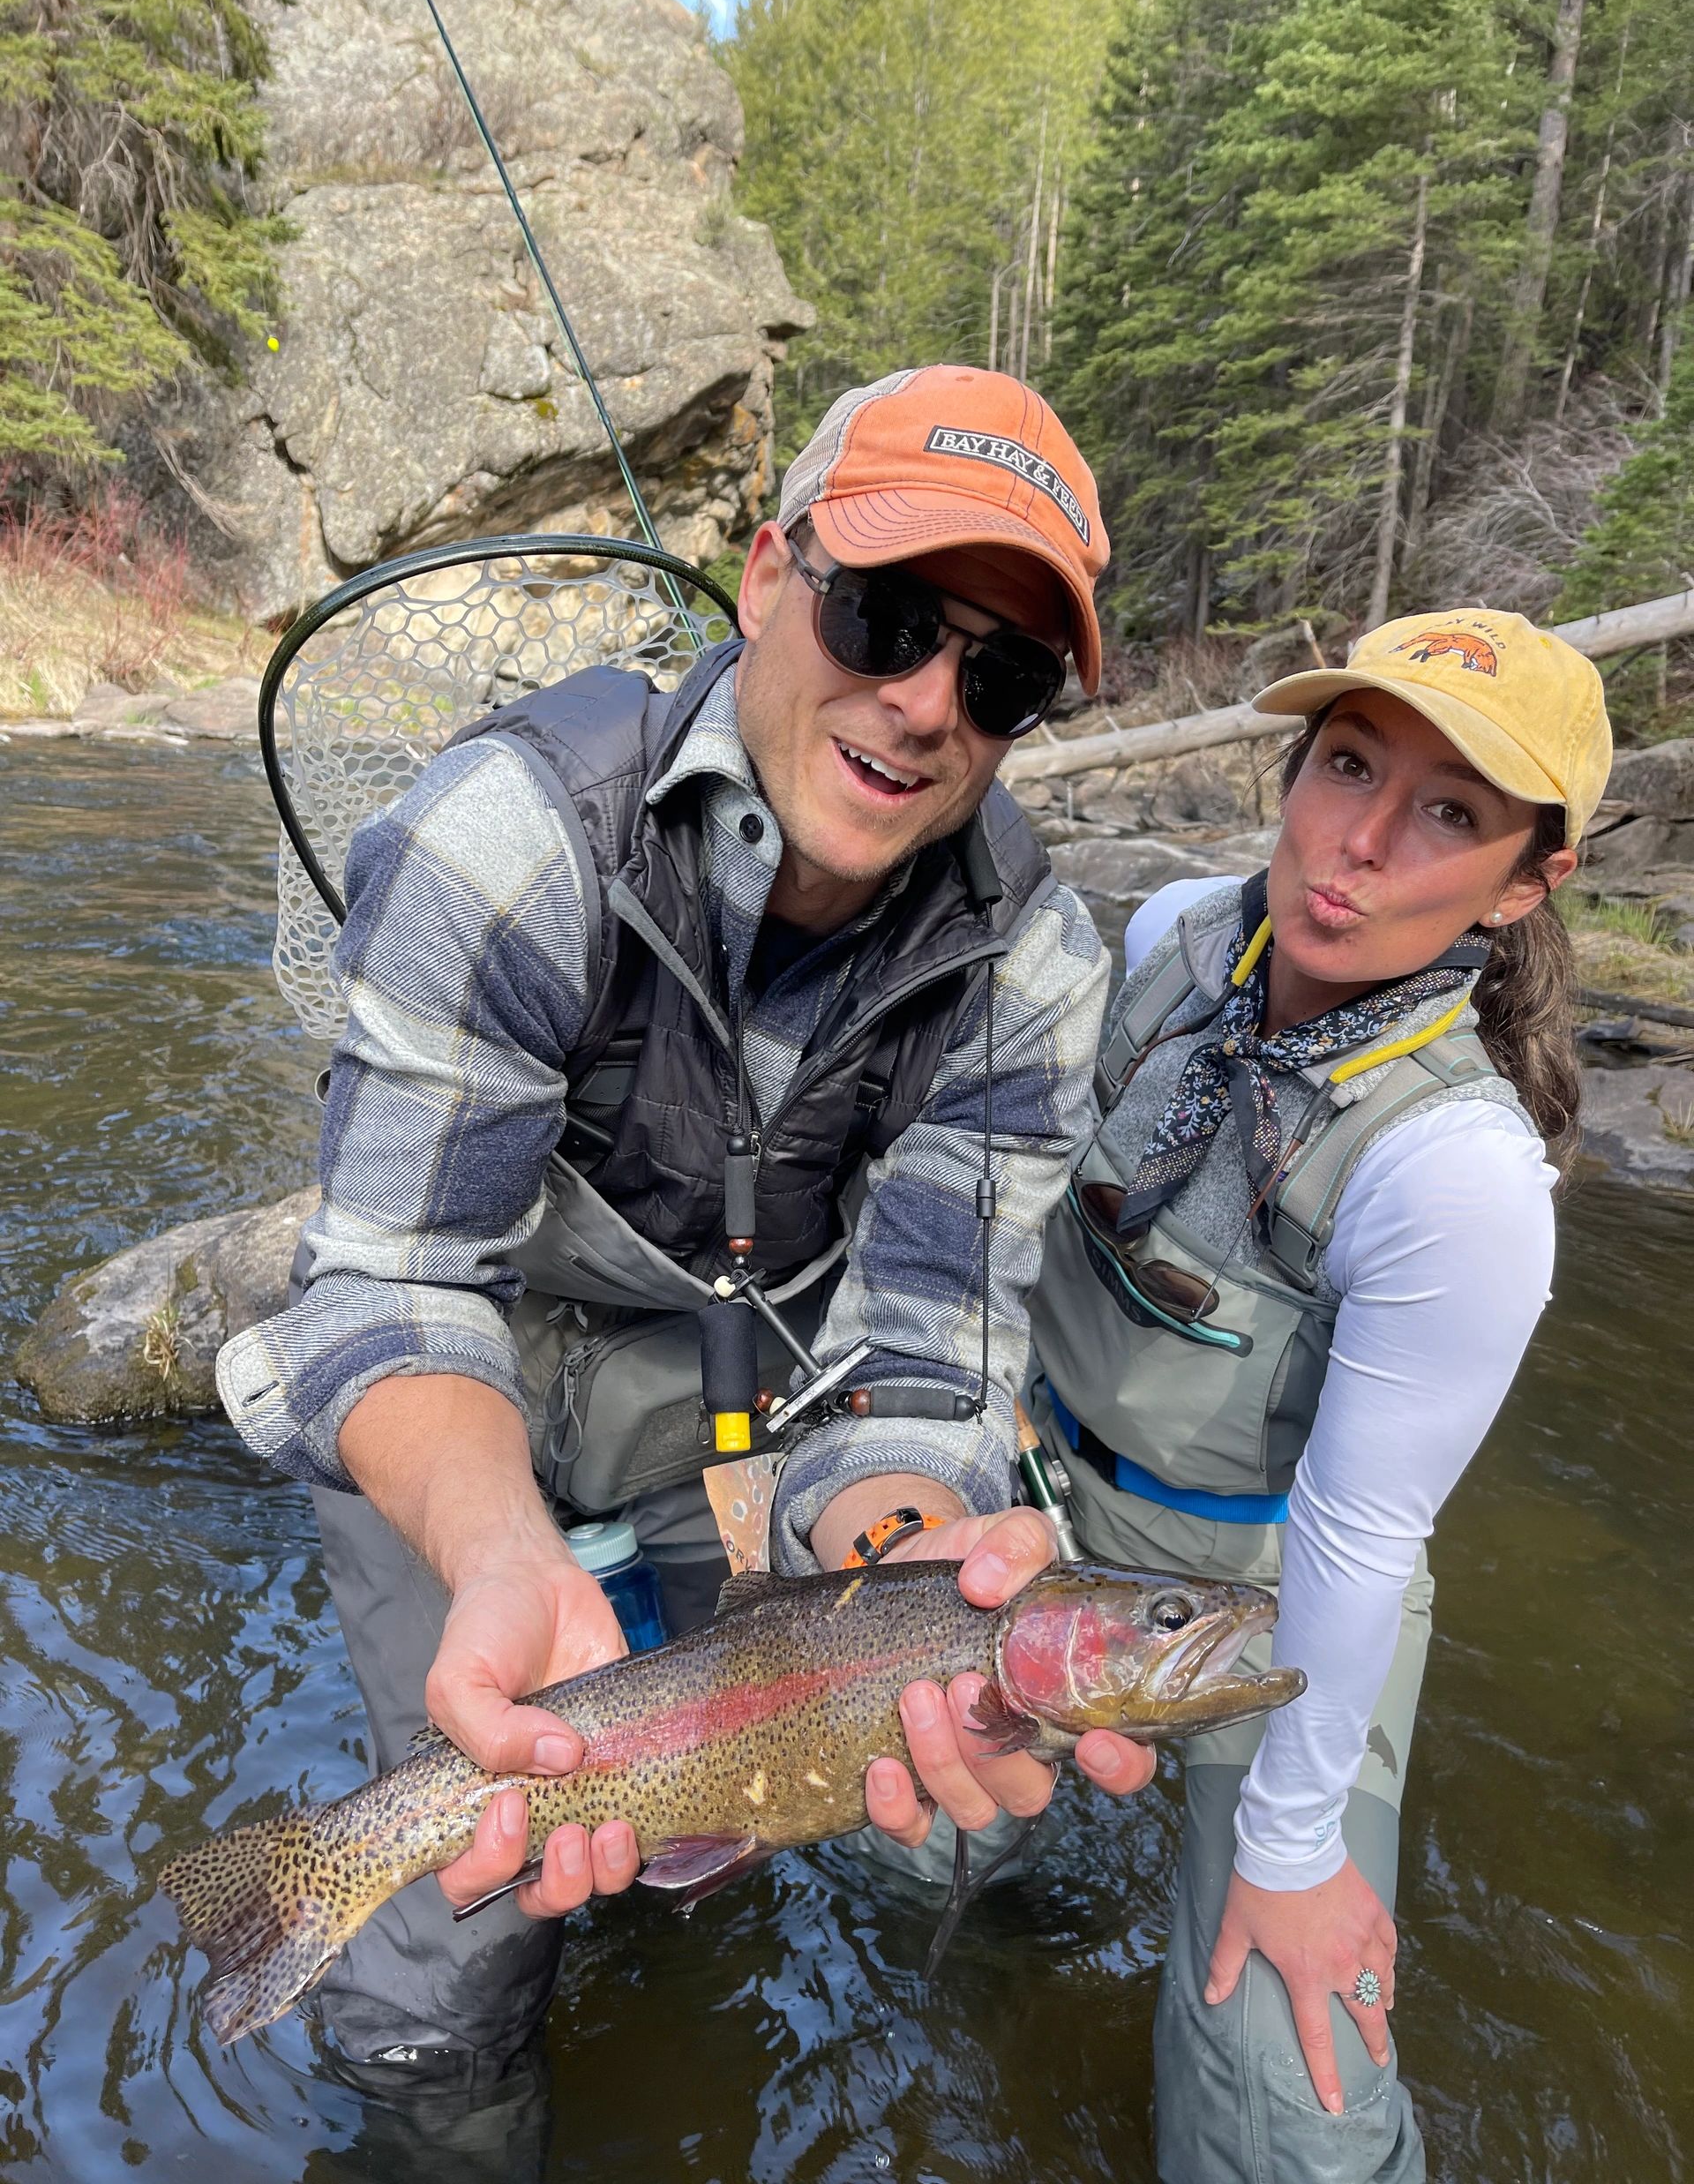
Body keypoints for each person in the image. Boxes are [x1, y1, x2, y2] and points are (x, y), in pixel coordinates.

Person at [214, 364, 1156, 2102]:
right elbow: (401, 1285)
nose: (928, 699)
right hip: (440, 1386)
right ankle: (431, 2098)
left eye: (1003, 673)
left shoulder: (1030, 968)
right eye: (884, 613)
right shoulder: (508, 842)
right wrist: (505, 1548)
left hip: (719, 1388)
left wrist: (911, 1556)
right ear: (770, 571)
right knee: (457, 1932)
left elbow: (923, 1374)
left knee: (752, 1813)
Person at [1023, 607, 1612, 2182]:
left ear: (1527, 880)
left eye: (1450, 813)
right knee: (909, 1835)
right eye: (1348, 763)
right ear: (1290, 769)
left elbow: (1359, 1537)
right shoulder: (1173, 940)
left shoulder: (1461, 1178)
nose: (1355, 842)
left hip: (1270, 1594)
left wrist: (1290, 1852)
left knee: (1285, 2099)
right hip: (1037, 1501)